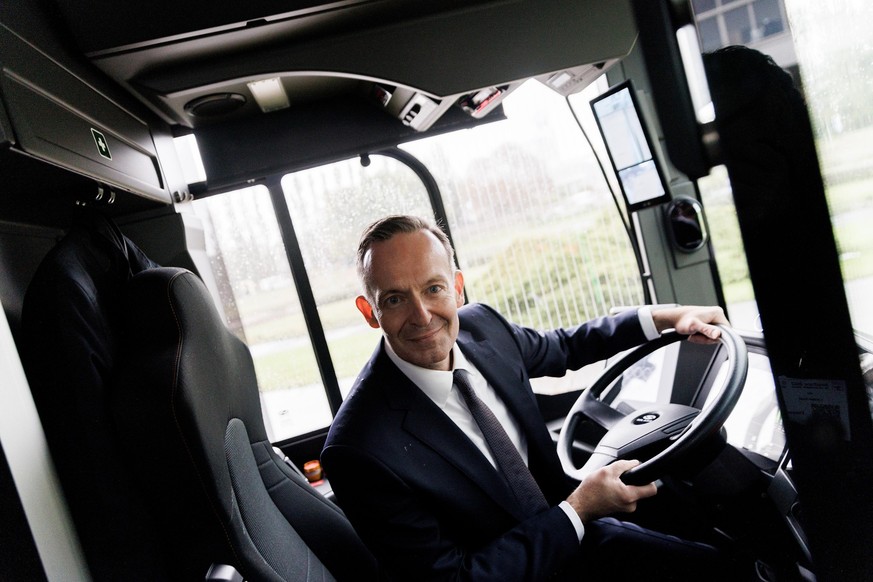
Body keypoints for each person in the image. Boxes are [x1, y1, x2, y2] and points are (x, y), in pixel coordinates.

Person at [322, 214, 741, 581]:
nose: (422, 315)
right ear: (369, 312)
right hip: (527, 564)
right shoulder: (358, 449)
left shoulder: (482, 326)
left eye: (434, 289)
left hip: (574, 525)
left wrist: (668, 317)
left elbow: (567, 346)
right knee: (726, 569)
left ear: (458, 288)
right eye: (394, 299)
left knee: (711, 524)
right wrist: (578, 510)